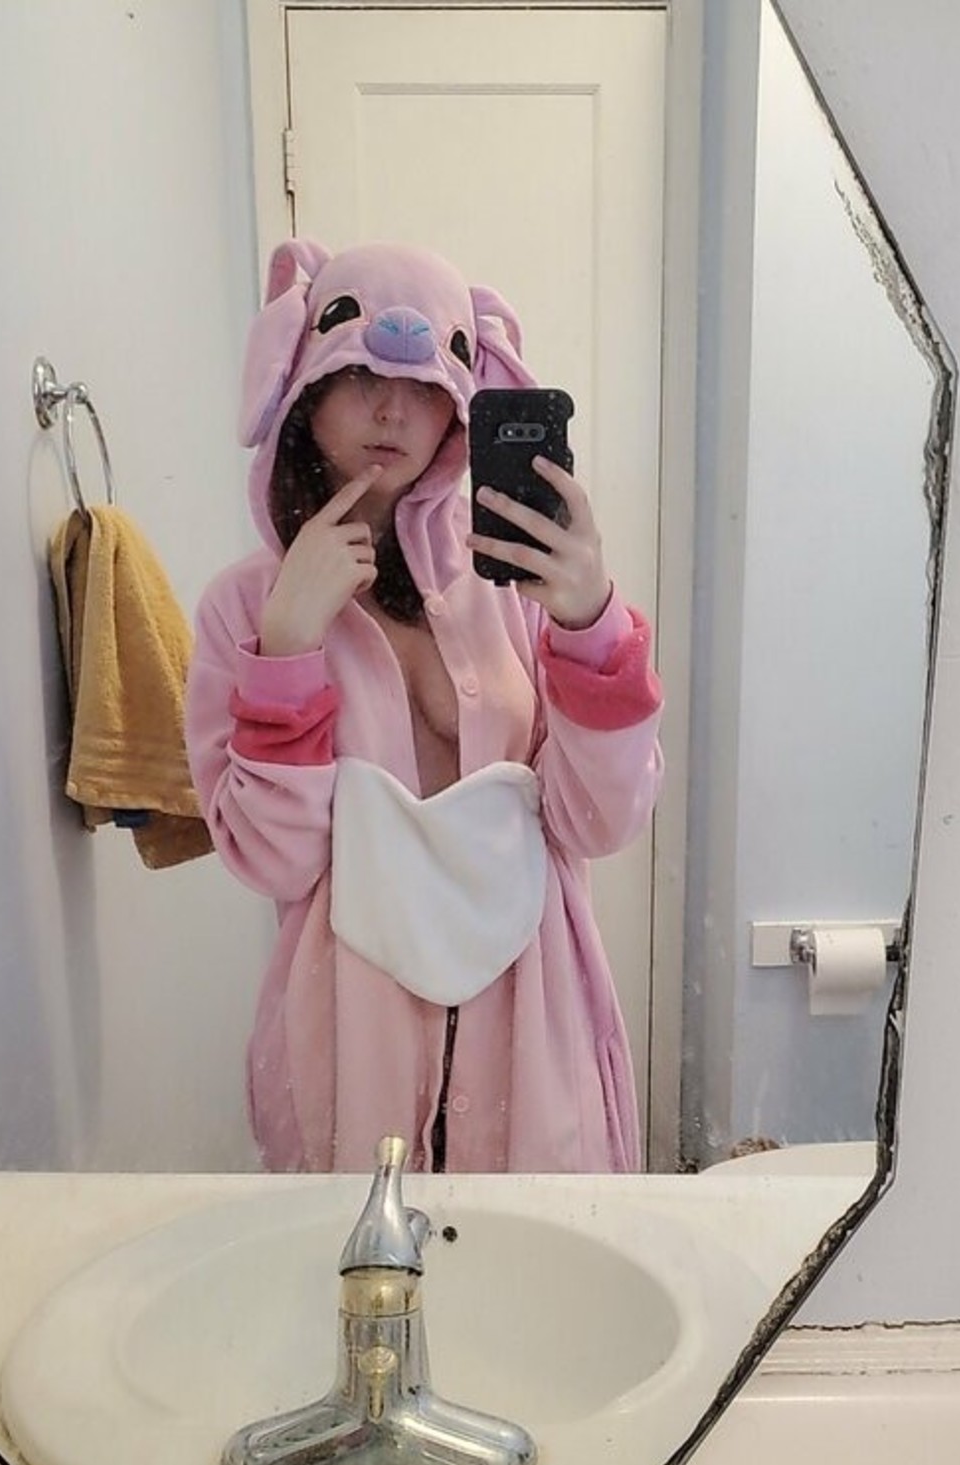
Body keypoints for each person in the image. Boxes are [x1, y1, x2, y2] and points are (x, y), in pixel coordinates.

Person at [185, 241, 663, 1174]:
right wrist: (287, 648)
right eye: (360, 374)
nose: (392, 409)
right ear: (304, 385)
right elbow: (275, 858)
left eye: (424, 385)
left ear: (461, 402)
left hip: (533, 1021)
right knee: (361, 1256)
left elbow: (600, 820)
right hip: (349, 1036)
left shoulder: (518, 588)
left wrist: (592, 630)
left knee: (534, 1257)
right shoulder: (244, 609)